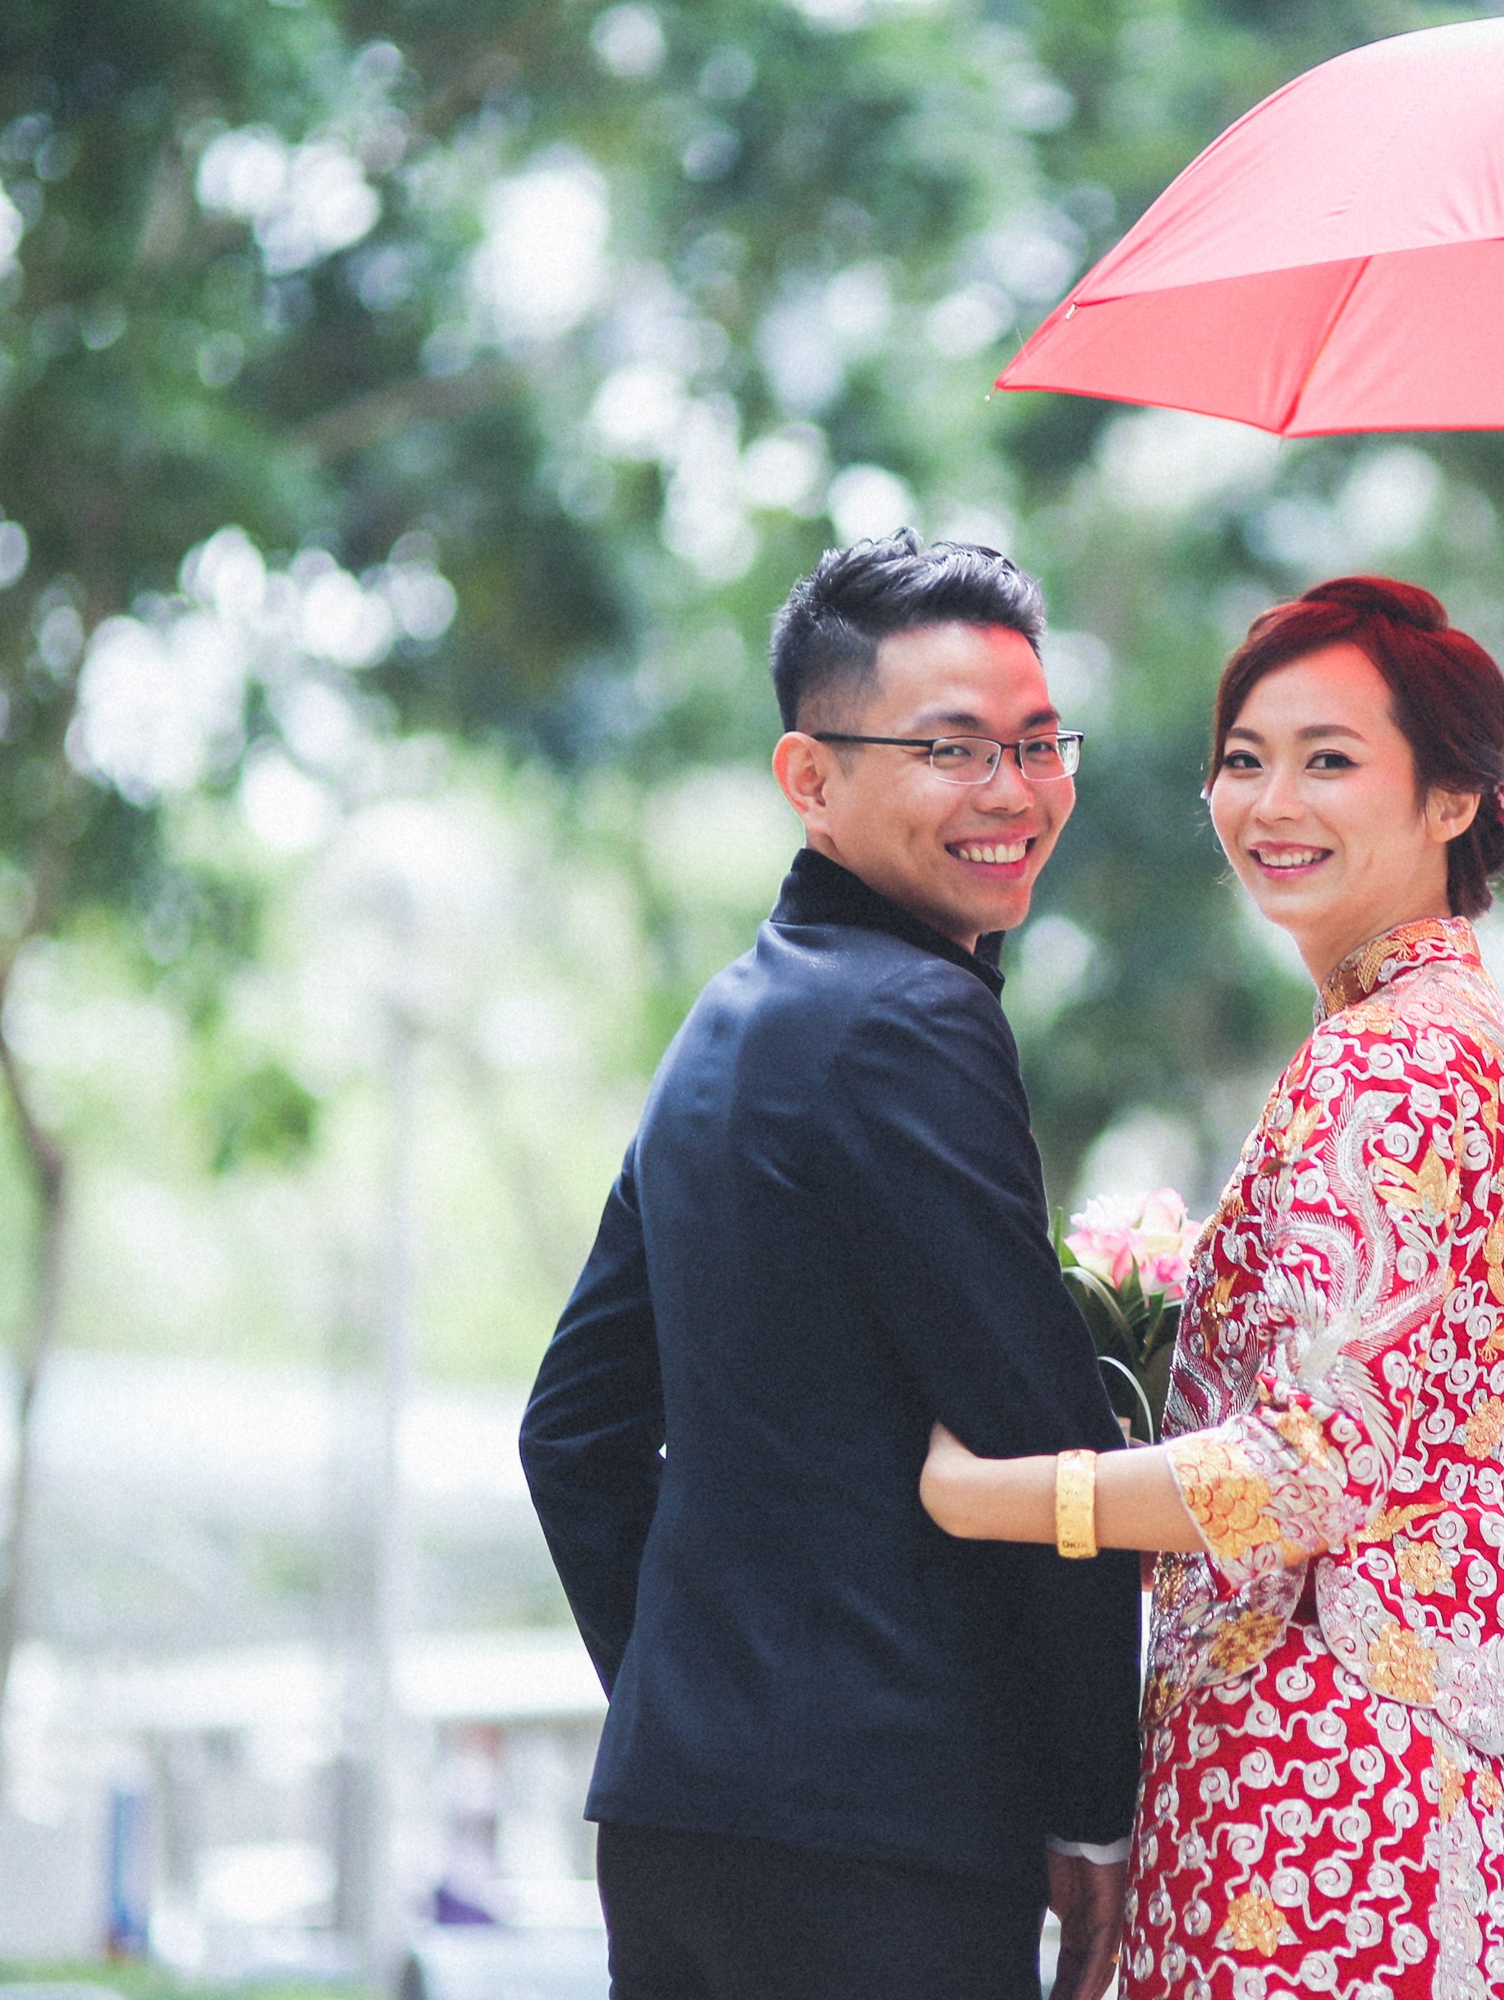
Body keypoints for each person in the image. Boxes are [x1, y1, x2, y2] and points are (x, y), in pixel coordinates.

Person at [920, 576, 1504, 1997]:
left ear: (1455, 799)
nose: (1272, 803)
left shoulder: (1392, 1061)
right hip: (1391, 1787)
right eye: (1244, 759)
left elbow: (1305, 1471)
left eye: (1329, 759)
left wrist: (987, 1496)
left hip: (1320, 1805)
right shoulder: (1443, 1032)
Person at [520, 531, 1140, 2000]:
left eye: (1038, 743)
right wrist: (1090, 1807)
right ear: (809, 778)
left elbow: (571, 1435)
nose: (1014, 791)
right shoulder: (917, 1017)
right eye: (952, 748)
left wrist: (707, 1714)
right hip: (881, 1848)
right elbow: (1035, 1438)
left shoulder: (727, 1019)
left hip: (678, 1832)